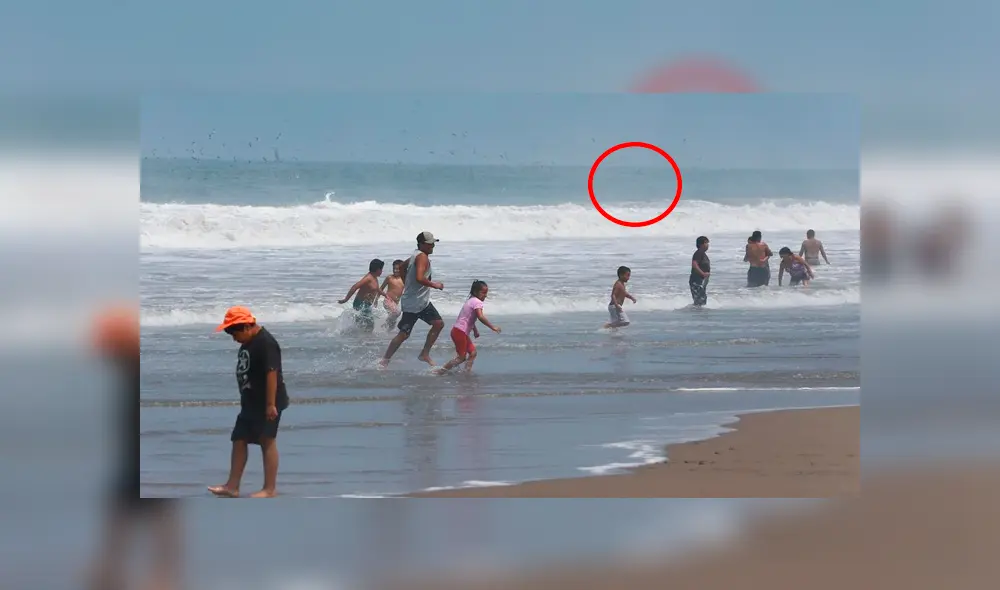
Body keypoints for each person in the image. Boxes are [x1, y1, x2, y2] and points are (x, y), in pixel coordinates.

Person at [208, 306, 290, 498]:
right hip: (251, 401)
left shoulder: (265, 343)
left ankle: (269, 489)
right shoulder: (248, 343)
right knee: (239, 438)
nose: (233, 338)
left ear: (246, 326)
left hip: (268, 402)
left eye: (233, 332)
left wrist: (270, 404)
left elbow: (272, 373)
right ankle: (232, 486)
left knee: (266, 440)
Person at [380, 232, 445, 367]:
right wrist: (435, 285)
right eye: (430, 243)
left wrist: (407, 284)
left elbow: (402, 267)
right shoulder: (422, 257)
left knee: (438, 323)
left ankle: (423, 354)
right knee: (404, 334)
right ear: (422, 244)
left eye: (433, 243)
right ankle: (386, 360)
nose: (433, 245)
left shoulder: (416, 254)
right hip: (415, 303)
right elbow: (420, 278)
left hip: (419, 301)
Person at [434, 280, 501, 375]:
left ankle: (466, 372)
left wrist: (475, 330)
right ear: (475, 292)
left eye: (486, 293)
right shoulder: (477, 302)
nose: (485, 295)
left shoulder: (471, 300)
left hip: (459, 331)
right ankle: (440, 371)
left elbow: (468, 318)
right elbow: (480, 316)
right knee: (461, 357)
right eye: (483, 293)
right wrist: (492, 327)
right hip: (459, 332)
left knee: (473, 353)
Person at [338, 259, 387, 333]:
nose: (382, 271)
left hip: (366, 304)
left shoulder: (374, 277)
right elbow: (355, 286)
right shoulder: (368, 278)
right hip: (360, 303)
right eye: (381, 269)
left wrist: (385, 295)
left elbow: (376, 289)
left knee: (365, 324)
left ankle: (360, 339)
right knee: (369, 324)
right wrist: (346, 299)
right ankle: (362, 340)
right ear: (377, 269)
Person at [376, 259, 406, 330]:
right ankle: (385, 324)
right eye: (394, 269)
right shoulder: (389, 278)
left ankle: (388, 333)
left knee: (393, 320)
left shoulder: (404, 279)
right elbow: (381, 288)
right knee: (397, 312)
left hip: (395, 303)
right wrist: (376, 299)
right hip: (387, 301)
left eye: (398, 269)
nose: (395, 270)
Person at [690, 236, 711, 307]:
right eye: (706, 243)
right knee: (700, 300)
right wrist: (703, 274)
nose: (708, 245)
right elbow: (694, 264)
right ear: (701, 244)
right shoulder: (699, 253)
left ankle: (697, 315)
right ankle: (698, 315)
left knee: (701, 299)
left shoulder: (702, 253)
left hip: (700, 280)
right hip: (696, 279)